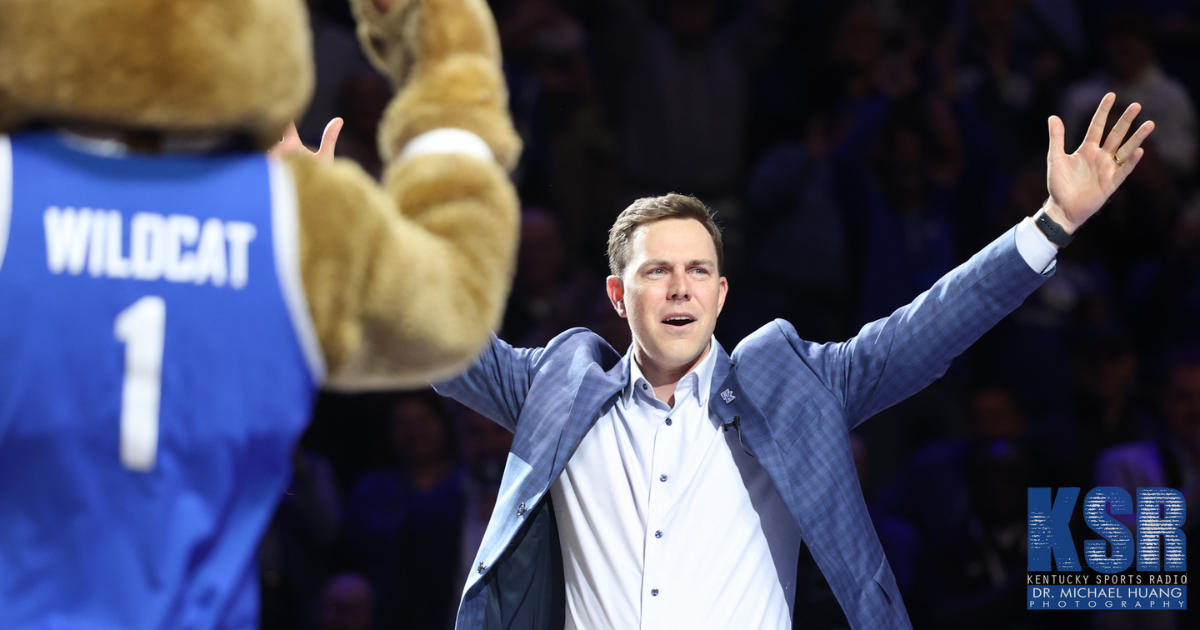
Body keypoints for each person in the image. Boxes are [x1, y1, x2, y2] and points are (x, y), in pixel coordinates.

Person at [434, 93, 1155, 629]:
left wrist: (1052, 224)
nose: (680, 285)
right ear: (619, 296)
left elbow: (928, 329)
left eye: (697, 271)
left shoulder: (789, 387)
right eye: (658, 272)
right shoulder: (558, 388)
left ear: (720, 294)